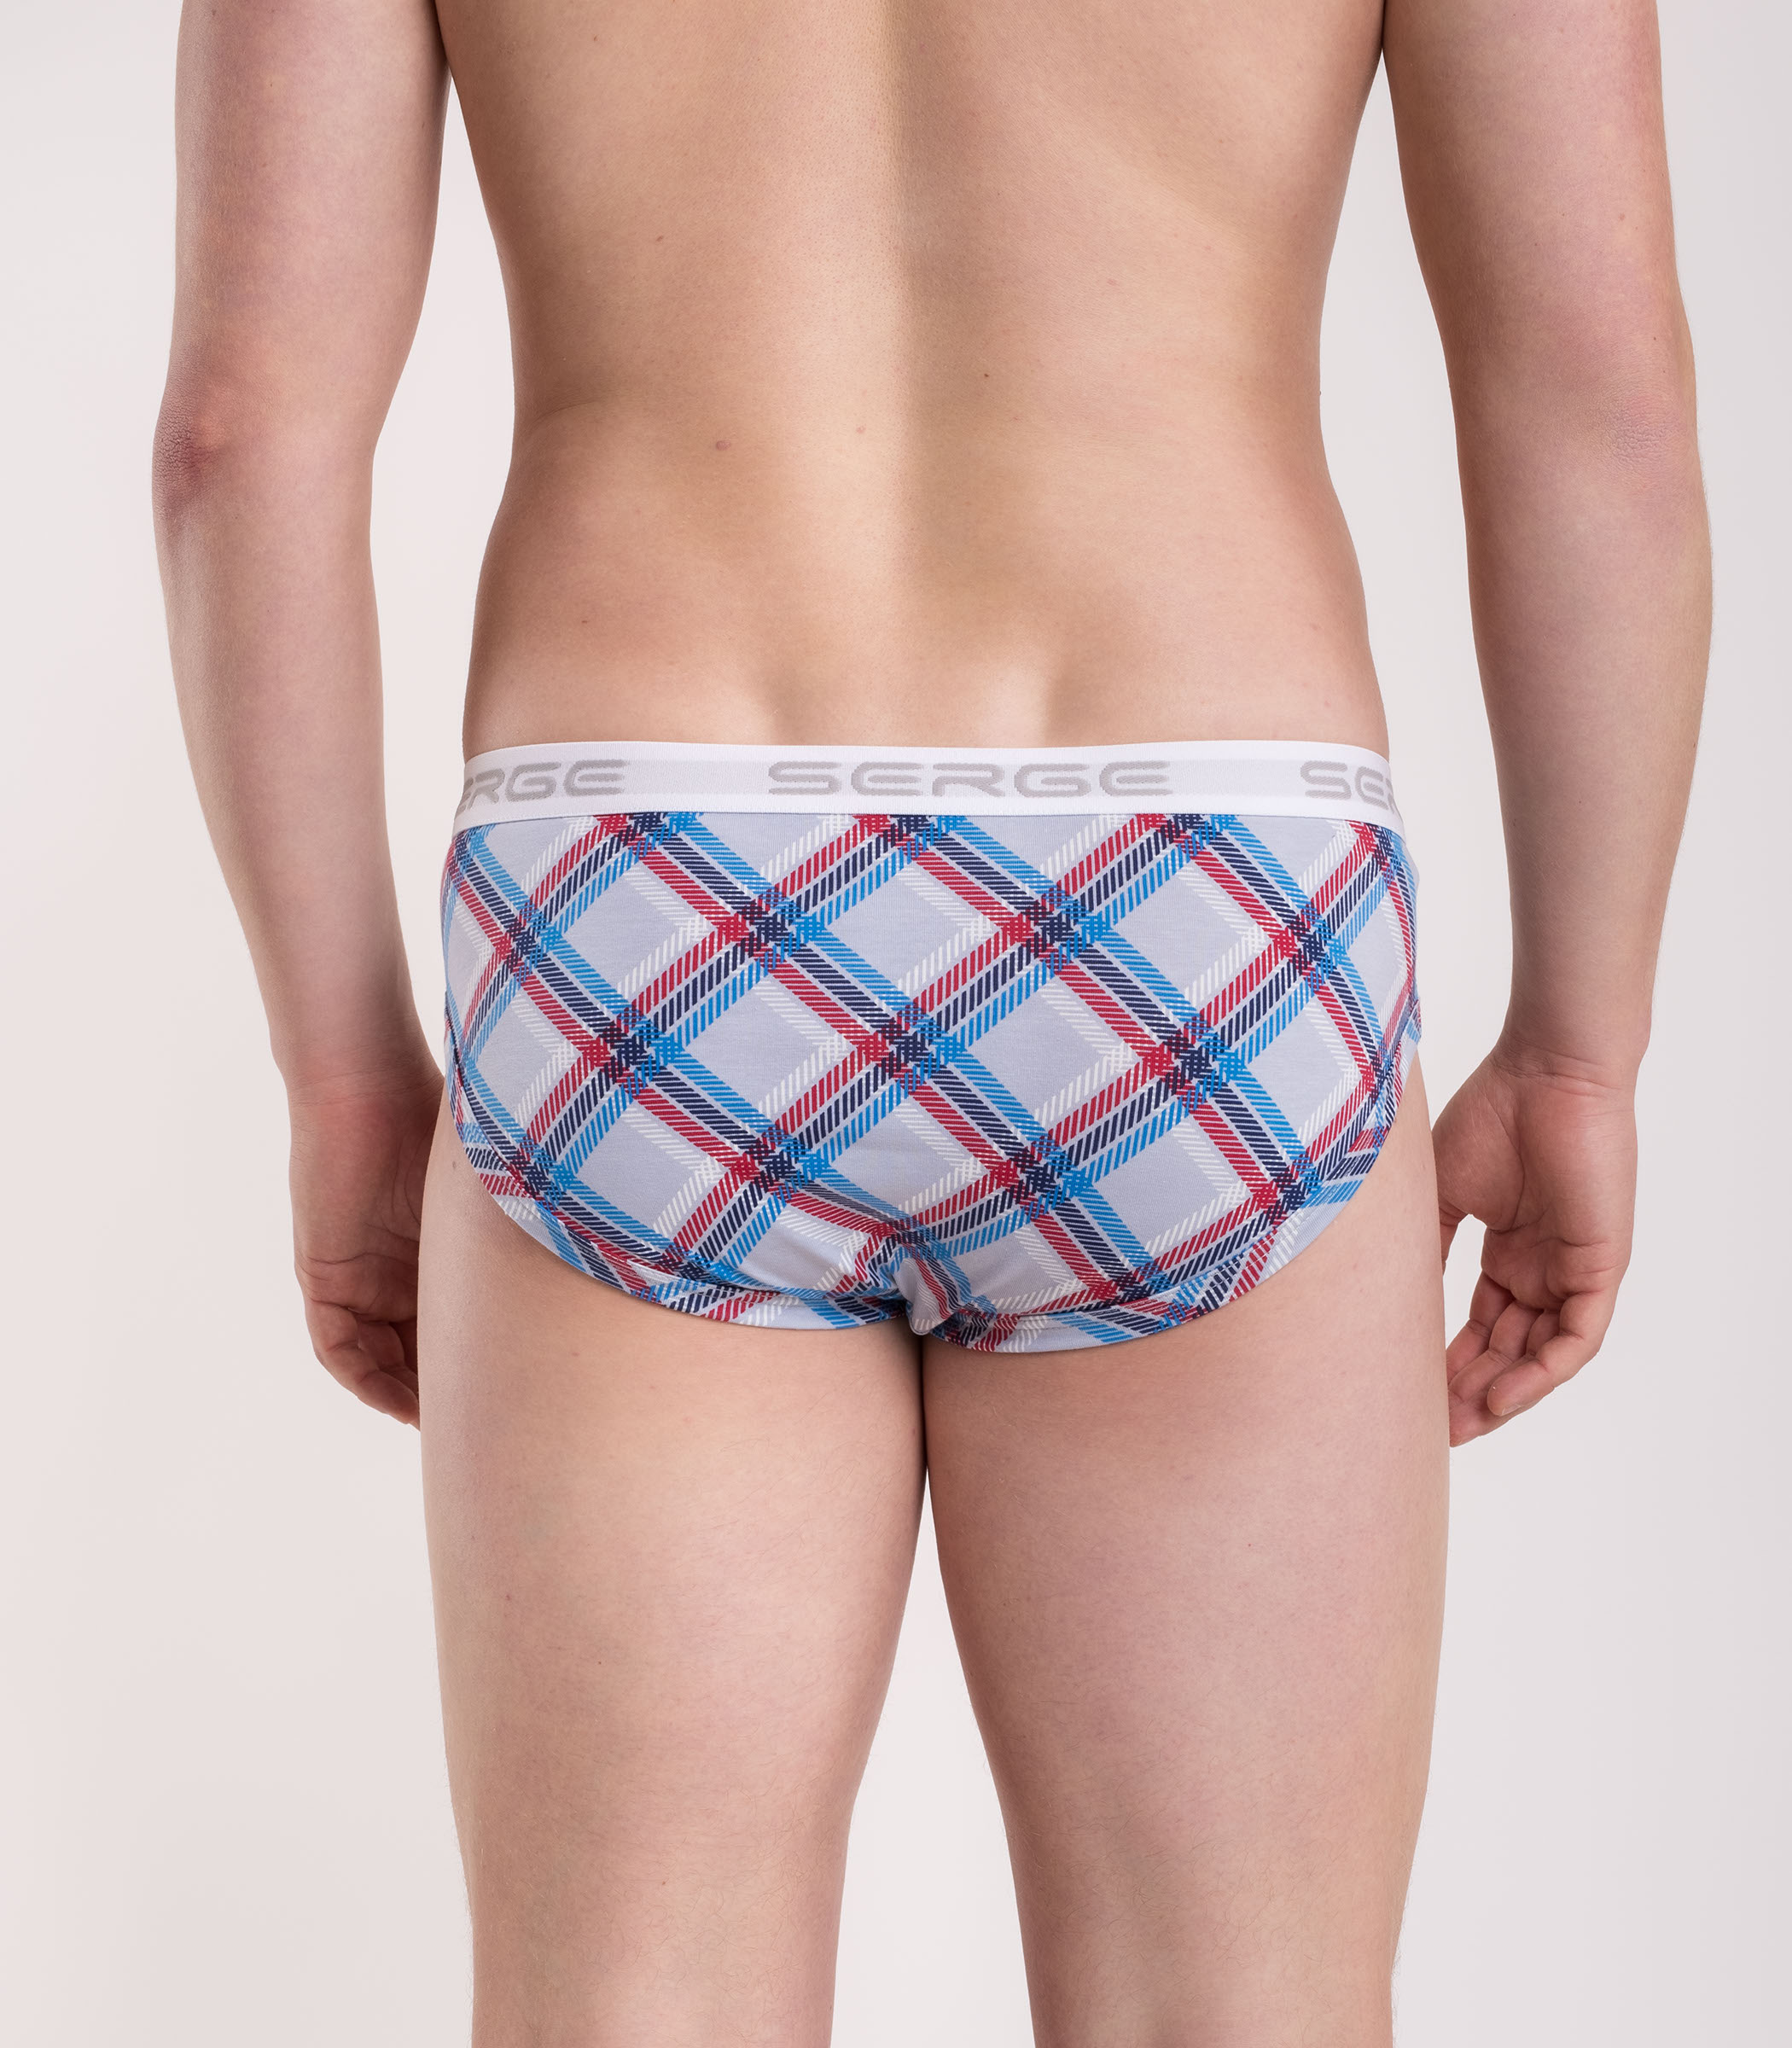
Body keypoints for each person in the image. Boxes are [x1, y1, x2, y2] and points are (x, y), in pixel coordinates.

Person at [151, 0, 1709, 2039]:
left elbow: (238, 439)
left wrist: (345, 1069)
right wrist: (1580, 1049)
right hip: (1200, 898)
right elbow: (1601, 404)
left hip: (644, 890)